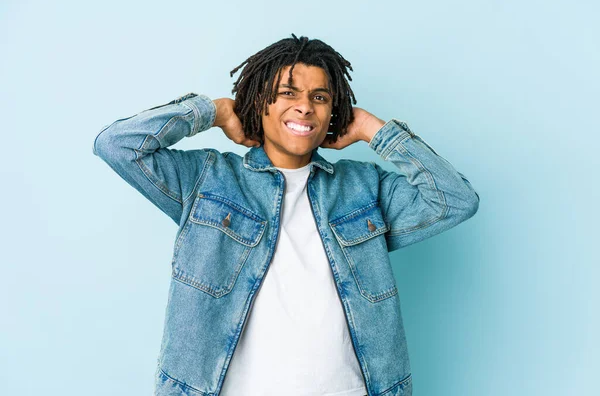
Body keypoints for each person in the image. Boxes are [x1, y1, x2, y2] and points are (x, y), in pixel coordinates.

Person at [93, 34, 479, 396]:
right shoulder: (208, 179)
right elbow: (117, 145)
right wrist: (212, 111)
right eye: (286, 93)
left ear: (334, 112)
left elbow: (456, 199)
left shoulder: (364, 187)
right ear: (259, 102)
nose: (305, 106)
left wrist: (369, 128)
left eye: (321, 97)